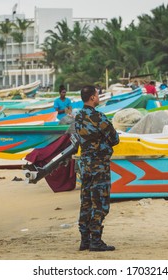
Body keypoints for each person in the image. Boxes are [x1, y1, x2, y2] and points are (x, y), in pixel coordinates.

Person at [74, 85, 120, 252]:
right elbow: (114, 138)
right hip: (99, 164)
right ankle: (96, 240)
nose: (98, 97)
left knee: (85, 201)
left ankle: (84, 240)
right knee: (99, 201)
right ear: (92, 98)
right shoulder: (98, 116)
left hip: (85, 164)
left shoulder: (78, 116)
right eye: (97, 95)